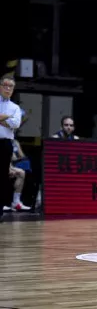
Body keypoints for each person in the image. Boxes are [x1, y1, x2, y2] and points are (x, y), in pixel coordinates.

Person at [0, 77, 23, 221]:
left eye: (11, 87)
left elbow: (15, 124)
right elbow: (10, 121)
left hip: (4, 144)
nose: (8, 88)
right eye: (5, 85)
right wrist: (5, 118)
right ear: (0, 86)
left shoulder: (15, 107)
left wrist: (2, 119)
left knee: (2, 177)